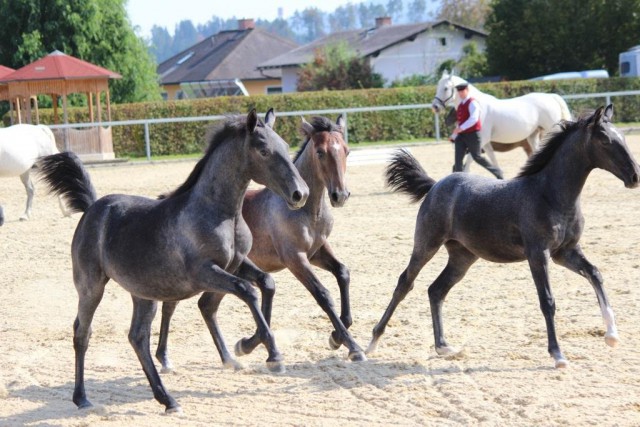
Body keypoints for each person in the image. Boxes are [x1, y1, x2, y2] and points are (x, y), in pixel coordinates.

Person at [451, 81, 504, 179]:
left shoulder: (472, 102)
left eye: (462, 91)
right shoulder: (461, 105)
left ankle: (497, 172)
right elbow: (460, 121)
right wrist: (454, 135)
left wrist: (461, 128)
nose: (461, 93)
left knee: (477, 157)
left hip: (473, 135)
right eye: (459, 91)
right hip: (462, 136)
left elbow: (474, 119)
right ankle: (457, 179)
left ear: (467, 90)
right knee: (458, 159)